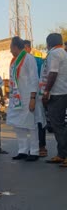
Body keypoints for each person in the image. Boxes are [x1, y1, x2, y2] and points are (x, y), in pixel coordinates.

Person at [7, 36, 42, 162]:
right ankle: (22, 150)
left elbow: (34, 79)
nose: (10, 50)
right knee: (18, 125)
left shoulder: (29, 58)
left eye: (11, 48)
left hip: (28, 97)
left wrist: (33, 98)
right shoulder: (13, 61)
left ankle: (34, 151)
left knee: (31, 125)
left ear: (15, 47)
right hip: (16, 98)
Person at [41, 33, 67, 167]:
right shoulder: (64, 52)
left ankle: (64, 155)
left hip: (57, 93)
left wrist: (46, 91)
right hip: (64, 92)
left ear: (48, 43)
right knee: (60, 124)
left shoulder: (54, 53)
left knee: (58, 125)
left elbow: (53, 73)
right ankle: (61, 154)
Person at [24, 40, 48, 157]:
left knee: (39, 121)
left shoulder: (38, 60)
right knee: (31, 123)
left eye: (24, 49)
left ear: (28, 48)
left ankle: (42, 146)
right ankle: (33, 147)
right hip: (27, 97)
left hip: (38, 96)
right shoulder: (21, 63)